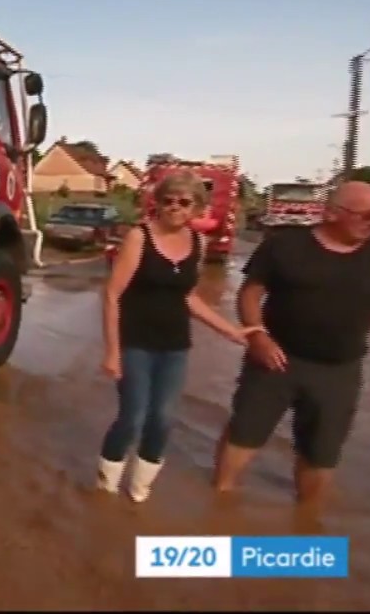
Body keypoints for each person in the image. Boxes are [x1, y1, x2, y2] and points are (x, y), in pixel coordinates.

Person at [214, 180, 370, 511]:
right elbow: (251, 292)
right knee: (244, 433)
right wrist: (257, 336)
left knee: (322, 451)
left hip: (339, 371)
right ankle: (219, 503)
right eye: (367, 215)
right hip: (274, 361)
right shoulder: (285, 245)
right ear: (333, 213)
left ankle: (305, 524)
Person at [98, 172, 255, 503]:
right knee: (133, 417)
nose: (174, 207)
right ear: (157, 203)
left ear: (196, 207)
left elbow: (189, 297)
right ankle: (105, 486)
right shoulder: (139, 238)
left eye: (184, 202)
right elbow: (112, 294)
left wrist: (231, 330)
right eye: (167, 200)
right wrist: (112, 351)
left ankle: (139, 489)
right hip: (134, 341)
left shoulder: (197, 243)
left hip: (175, 345)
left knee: (164, 419)